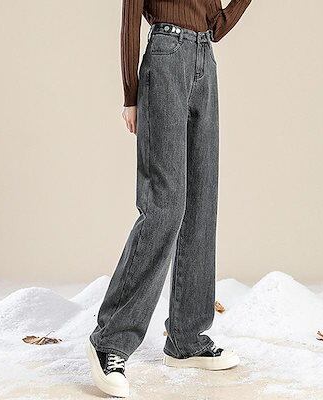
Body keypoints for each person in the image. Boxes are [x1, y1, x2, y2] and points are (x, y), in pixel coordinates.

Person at [86, 0, 252, 397]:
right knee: (165, 205)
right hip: (165, 57)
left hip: (205, 60)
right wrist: (130, 95)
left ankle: (186, 338)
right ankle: (110, 340)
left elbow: (216, 27)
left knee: (201, 203)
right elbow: (130, 19)